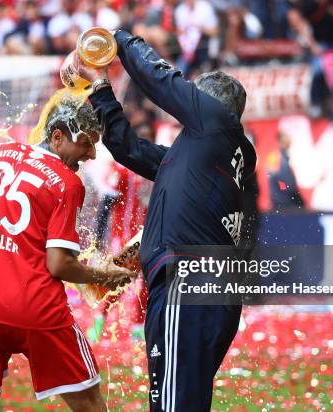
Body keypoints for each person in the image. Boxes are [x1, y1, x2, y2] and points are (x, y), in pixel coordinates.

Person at [76, 30, 257, 411]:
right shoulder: (216, 156)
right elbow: (128, 148)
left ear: (207, 106)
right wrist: (100, 87)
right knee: (181, 401)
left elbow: (161, 79)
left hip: (186, 287)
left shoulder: (213, 124)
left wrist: (117, 39)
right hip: (212, 291)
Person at [0, 94, 135, 412]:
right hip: (37, 310)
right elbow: (59, 264)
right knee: (91, 404)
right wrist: (105, 276)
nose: (92, 154)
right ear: (57, 137)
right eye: (86, 143)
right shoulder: (67, 182)